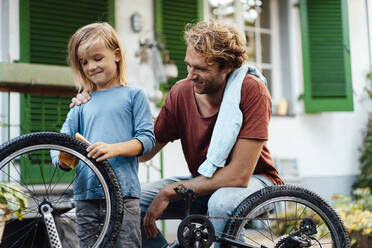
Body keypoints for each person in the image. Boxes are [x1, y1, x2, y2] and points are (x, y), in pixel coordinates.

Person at [71, 20, 283, 248]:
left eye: (201, 68)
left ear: (228, 66)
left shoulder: (251, 90)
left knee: (221, 203)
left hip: (255, 181)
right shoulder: (181, 92)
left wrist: (169, 192)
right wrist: (102, 105)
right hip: (203, 181)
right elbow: (144, 151)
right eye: (189, 65)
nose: (191, 75)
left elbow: (238, 176)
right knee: (129, 204)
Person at [52, 22, 155, 248]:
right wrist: (62, 160)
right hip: (85, 196)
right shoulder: (82, 102)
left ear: (117, 55)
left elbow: (147, 139)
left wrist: (114, 148)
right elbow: (60, 141)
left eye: (97, 58)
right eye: (84, 62)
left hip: (123, 195)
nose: (91, 67)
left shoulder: (134, 95)